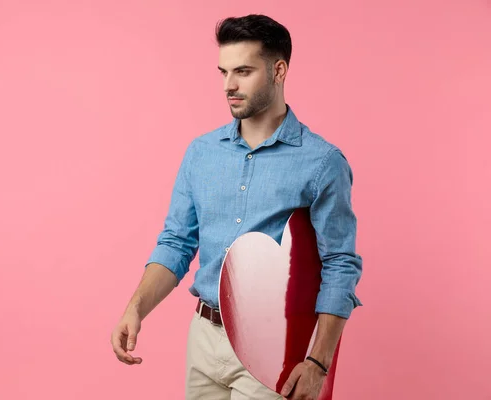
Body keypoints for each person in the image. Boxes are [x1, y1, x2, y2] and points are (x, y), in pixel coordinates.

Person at [110, 14, 363, 400]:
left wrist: (318, 362)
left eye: (243, 71)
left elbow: (340, 264)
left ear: (279, 70)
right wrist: (136, 308)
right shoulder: (201, 153)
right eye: (224, 71)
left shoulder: (321, 162)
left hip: (273, 345)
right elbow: (177, 243)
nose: (229, 85)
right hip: (204, 339)